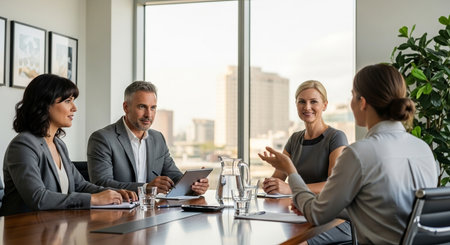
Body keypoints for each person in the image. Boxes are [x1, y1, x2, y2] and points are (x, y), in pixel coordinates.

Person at [259, 64, 438, 244]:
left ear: (362, 102)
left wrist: (291, 172)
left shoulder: (359, 153)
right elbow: (388, 210)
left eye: (352, 95)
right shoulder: (423, 149)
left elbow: (316, 215)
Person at [1, 74, 137, 216]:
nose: (74, 108)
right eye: (67, 101)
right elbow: (38, 198)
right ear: (45, 104)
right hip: (21, 231)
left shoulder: (58, 144)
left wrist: (112, 193)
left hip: (52, 228)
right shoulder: (23, 145)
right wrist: (93, 199)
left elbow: (80, 185)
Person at [263, 80, 351, 244]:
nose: (307, 107)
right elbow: (279, 177)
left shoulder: (336, 137)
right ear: (296, 105)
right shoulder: (294, 139)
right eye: (301, 101)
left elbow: (333, 186)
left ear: (324, 105)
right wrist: (270, 184)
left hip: (336, 220)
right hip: (302, 214)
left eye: (313, 102)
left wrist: (291, 188)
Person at [87, 81, 209, 194]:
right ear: (126, 107)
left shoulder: (158, 138)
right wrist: (145, 188)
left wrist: (193, 185)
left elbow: (174, 176)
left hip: (152, 212)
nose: (148, 115)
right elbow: (101, 184)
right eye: (142, 107)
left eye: (153, 108)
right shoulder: (102, 138)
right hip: (117, 213)